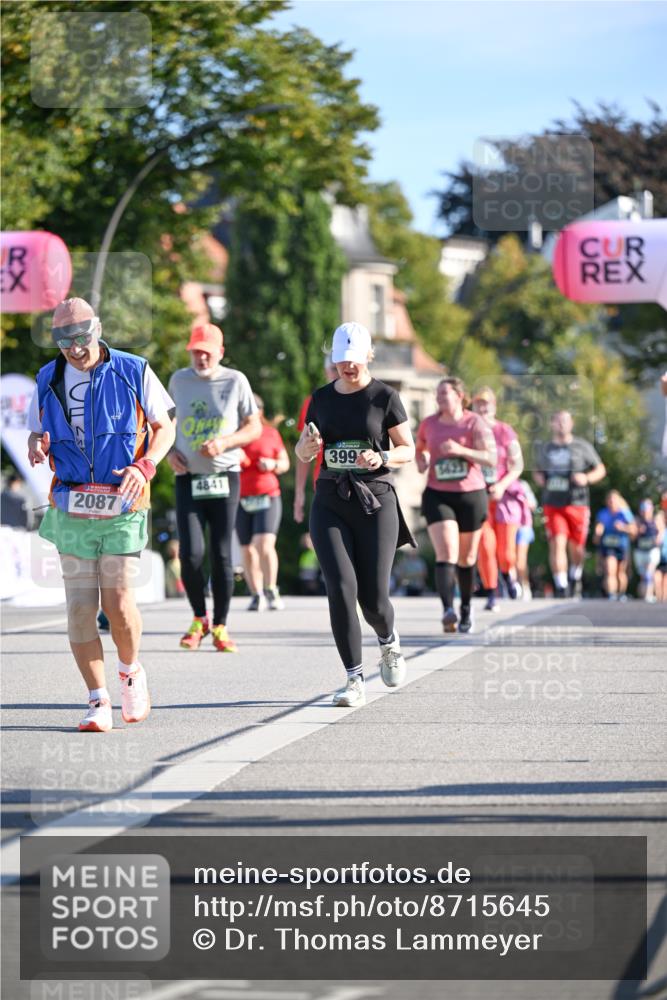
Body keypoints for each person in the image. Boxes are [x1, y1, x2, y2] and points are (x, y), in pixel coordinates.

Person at [27, 297, 175, 733]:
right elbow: (38, 430)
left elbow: (165, 427)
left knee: (118, 600)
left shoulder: (134, 370)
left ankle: (130, 671)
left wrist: (145, 465)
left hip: (123, 501)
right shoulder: (47, 377)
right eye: (63, 340)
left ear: (98, 329)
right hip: (72, 502)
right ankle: (97, 699)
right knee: (79, 607)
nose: (74, 348)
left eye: (82, 336)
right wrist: (37, 444)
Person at [295, 322, 415, 708]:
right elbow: (302, 450)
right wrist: (307, 447)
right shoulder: (321, 398)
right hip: (330, 499)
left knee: (374, 601)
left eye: (354, 360)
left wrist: (382, 456)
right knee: (341, 588)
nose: (347, 367)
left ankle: (389, 641)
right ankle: (353, 679)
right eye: (340, 361)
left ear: (368, 356)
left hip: (375, 501)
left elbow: (408, 449)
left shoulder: (385, 397)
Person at [167, 322, 261, 651]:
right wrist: (169, 452)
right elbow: (164, 423)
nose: (201, 358)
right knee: (190, 554)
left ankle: (221, 625)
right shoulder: (179, 380)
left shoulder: (235, 381)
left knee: (221, 555)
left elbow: (254, 427)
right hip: (188, 478)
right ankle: (199, 619)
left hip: (224, 477)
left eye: (207, 352)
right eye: (196, 351)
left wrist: (225, 443)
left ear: (220, 353)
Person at [415, 377, 496, 634]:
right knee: (447, 552)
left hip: (470, 495)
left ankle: (466, 608)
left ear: (460, 396)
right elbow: (420, 447)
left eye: (444, 393)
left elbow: (491, 458)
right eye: (437, 394)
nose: (439, 398)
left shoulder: (475, 422)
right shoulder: (429, 423)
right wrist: (422, 459)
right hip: (438, 494)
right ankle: (448, 609)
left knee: (467, 557)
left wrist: (462, 451)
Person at [533, 410, 606, 598]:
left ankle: (575, 575)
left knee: (577, 547)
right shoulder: (545, 448)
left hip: (577, 502)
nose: (561, 424)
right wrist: (540, 479)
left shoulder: (582, 446)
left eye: (565, 421)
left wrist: (586, 478)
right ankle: (561, 585)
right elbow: (537, 471)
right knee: (557, 542)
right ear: (552, 424)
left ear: (571, 424)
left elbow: (600, 469)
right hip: (553, 503)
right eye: (557, 421)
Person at [472, 387, 525, 610]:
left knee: (506, 551)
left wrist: (501, 486)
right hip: (479, 496)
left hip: (505, 497)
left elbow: (518, 465)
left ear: (494, 406)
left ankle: (507, 574)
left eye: (486, 403)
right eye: (478, 404)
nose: (482, 408)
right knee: (485, 545)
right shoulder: (468, 431)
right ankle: (492, 591)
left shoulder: (505, 431)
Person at [237, 394, 290, 611]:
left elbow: (285, 463)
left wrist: (272, 464)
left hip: (268, 495)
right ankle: (255, 593)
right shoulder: (234, 435)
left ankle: (271, 589)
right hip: (241, 498)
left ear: (259, 412)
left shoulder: (270, 433)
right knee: (247, 549)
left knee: (264, 544)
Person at [293, 355, 339, 524]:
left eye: (342, 367)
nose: (339, 372)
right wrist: (299, 492)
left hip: (361, 483)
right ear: (326, 372)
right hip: (324, 484)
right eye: (334, 369)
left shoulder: (367, 397)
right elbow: (303, 450)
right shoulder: (314, 401)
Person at [593, 490, 636, 600]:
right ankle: (611, 594)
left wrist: (623, 528)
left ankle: (621, 594)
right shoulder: (603, 513)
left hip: (621, 546)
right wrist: (598, 532)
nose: (611, 502)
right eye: (610, 500)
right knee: (610, 570)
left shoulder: (624, 513)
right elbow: (599, 527)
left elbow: (634, 530)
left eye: (614, 500)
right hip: (608, 546)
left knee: (620, 572)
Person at [633, 498, 663, 602]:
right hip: (640, 551)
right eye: (643, 508)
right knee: (643, 576)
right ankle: (644, 596)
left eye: (647, 508)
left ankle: (648, 595)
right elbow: (632, 536)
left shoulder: (656, 520)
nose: (645, 511)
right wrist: (637, 531)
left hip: (652, 551)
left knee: (649, 573)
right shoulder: (637, 521)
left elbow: (661, 532)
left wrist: (657, 538)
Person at [515, 479, 537, 600]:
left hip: (523, 526)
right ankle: (514, 586)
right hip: (507, 525)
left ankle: (524, 585)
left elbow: (533, 504)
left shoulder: (522, 484)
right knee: (508, 559)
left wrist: (523, 501)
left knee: (520, 560)